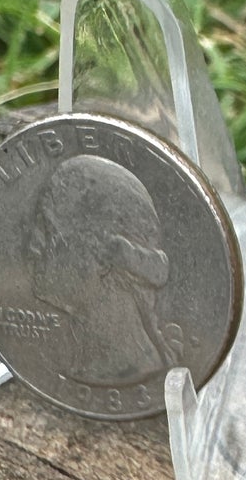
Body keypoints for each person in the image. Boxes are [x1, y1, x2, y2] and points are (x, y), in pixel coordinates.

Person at [27, 155, 176, 386]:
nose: (33, 247)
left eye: (48, 230)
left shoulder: (130, 364)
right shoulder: (82, 362)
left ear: (105, 254)